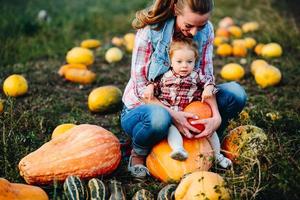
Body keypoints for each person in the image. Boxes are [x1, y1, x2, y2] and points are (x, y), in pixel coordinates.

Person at [121, 0, 247, 178]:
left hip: (187, 103)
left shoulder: (207, 30)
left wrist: (216, 116)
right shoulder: (150, 31)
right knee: (159, 119)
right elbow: (140, 89)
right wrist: (174, 115)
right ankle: (138, 154)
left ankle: (207, 144)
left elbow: (207, 78)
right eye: (189, 25)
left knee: (236, 93)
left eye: (201, 25)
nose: (195, 32)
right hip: (148, 107)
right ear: (175, 10)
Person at [143, 38, 232, 168]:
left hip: (192, 114)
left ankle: (218, 156)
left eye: (189, 62)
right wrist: (150, 86)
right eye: (179, 61)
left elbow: (209, 82)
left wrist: (208, 88)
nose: (184, 65)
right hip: (173, 115)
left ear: (195, 61)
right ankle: (178, 149)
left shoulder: (196, 76)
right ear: (171, 62)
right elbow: (153, 86)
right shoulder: (164, 77)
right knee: (170, 129)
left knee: (210, 133)